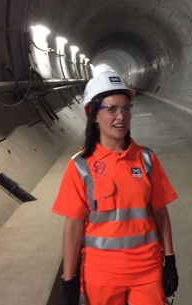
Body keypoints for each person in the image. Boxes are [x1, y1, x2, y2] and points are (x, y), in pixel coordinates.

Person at [52, 71, 179, 305]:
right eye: (111, 109)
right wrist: (68, 281)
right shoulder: (80, 166)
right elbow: (73, 228)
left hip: (147, 270)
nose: (121, 116)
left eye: (126, 108)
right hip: (101, 275)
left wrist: (169, 260)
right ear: (93, 114)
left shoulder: (146, 159)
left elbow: (160, 213)